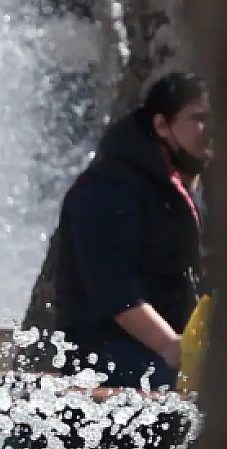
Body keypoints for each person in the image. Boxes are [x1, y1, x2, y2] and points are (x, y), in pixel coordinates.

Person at [50, 71, 211, 391]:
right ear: (161, 125)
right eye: (200, 118)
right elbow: (116, 293)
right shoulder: (108, 188)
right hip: (103, 355)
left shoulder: (201, 183)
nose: (214, 130)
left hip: (170, 348)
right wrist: (174, 349)